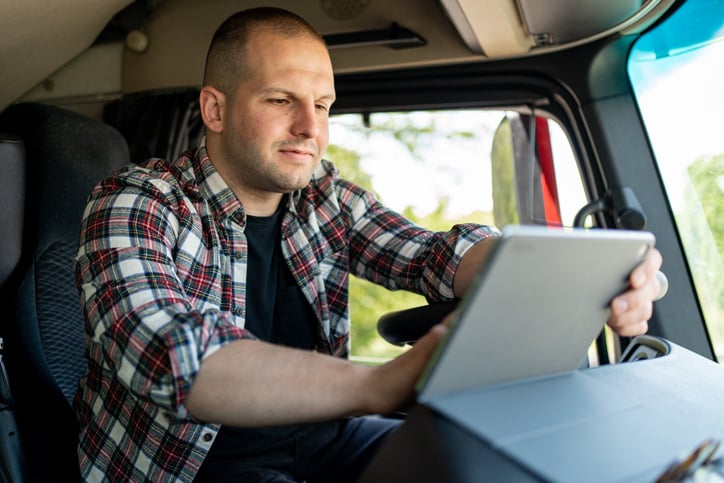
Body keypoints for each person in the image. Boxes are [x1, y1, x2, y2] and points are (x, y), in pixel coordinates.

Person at [73, 7, 663, 482]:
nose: (311, 127)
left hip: (328, 443)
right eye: (281, 101)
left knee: (493, 461)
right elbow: (174, 357)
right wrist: (378, 385)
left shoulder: (324, 197)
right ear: (215, 109)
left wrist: (591, 278)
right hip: (193, 465)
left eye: (324, 106)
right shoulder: (135, 202)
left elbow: (431, 255)